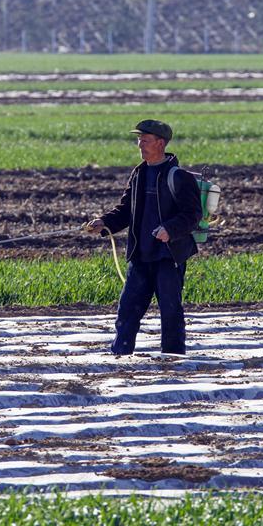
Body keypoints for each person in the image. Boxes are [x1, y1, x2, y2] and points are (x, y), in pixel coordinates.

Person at [85, 119, 202, 356]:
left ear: (160, 143)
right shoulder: (138, 173)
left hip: (168, 258)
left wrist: (170, 229)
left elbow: (193, 215)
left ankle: (174, 359)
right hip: (140, 255)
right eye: (139, 140)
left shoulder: (180, 177)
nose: (140, 145)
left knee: (170, 313)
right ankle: (119, 356)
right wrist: (104, 223)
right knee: (127, 311)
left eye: (145, 140)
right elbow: (126, 210)